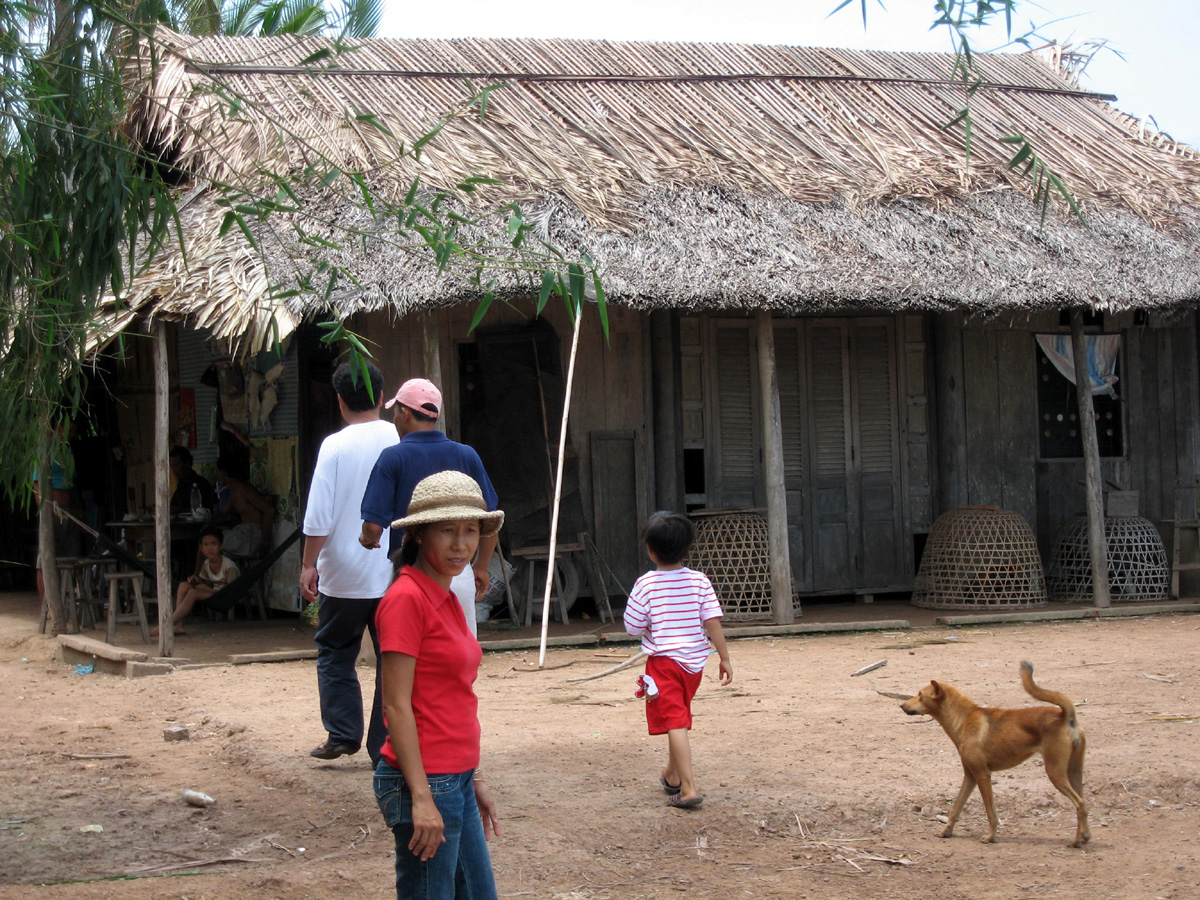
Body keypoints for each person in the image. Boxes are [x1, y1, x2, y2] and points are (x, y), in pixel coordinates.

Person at [374, 470, 504, 899]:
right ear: (418, 536)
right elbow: (395, 705)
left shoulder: (447, 595)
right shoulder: (407, 599)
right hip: (428, 779)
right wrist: (422, 797)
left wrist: (474, 774)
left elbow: (454, 696)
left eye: (470, 531)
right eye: (447, 531)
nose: (461, 544)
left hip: (455, 777)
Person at [302, 361, 400, 763]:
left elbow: (319, 515)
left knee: (335, 650)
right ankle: (385, 744)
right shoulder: (399, 438)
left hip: (342, 570)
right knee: (392, 657)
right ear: (381, 397)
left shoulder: (335, 446)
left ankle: (342, 733)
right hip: (394, 571)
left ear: (340, 402)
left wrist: (309, 564)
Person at [358, 378, 499, 636]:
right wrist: (480, 566)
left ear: (404, 413)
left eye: (396, 413)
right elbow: (489, 520)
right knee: (458, 657)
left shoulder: (393, 457)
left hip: (413, 575)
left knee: (408, 654)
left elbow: (373, 525)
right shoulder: (466, 455)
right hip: (459, 572)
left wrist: (367, 538)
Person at [623, 511, 733, 809]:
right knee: (678, 718)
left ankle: (687, 788)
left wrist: (649, 624)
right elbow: (713, 623)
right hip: (695, 666)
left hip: (663, 665)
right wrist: (724, 659)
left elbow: (632, 626)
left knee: (674, 721)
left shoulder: (645, 585)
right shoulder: (700, 581)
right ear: (687, 548)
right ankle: (671, 775)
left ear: (650, 550)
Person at [155, 526, 238, 636]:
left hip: (223, 596)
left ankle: (166, 625)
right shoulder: (206, 564)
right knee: (184, 586)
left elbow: (232, 592)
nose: (210, 548)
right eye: (206, 544)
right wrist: (196, 580)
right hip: (212, 593)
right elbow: (205, 582)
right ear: (201, 548)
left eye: (214, 544)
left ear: (221, 546)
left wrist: (208, 589)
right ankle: (178, 625)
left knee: (193, 593)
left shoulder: (229, 566)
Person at [211, 454, 274, 558]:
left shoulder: (244, 489)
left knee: (209, 542)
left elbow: (269, 510)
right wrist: (209, 522)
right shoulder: (234, 492)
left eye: (218, 471)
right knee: (207, 541)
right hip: (241, 533)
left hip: (251, 536)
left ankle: (197, 574)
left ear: (224, 473)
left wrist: (264, 541)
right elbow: (222, 514)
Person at [168, 446, 216, 515]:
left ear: (187, 463)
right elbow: (174, 505)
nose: (174, 471)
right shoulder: (181, 484)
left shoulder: (201, 483)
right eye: (172, 467)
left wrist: (180, 511)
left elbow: (204, 512)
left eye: (176, 466)